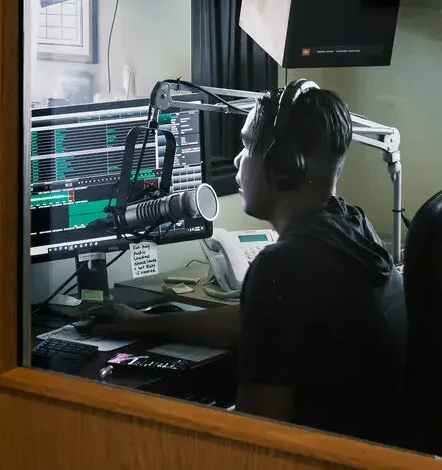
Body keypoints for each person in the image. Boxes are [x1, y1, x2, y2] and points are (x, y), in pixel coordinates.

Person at [90, 81, 407, 442]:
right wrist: (144, 324)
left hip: (319, 468)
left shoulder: (283, 265)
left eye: (246, 145)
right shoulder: (354, 226)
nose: (238, 160)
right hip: (373, 453)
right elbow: (256, 323)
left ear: (283, 165)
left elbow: (257, 438)